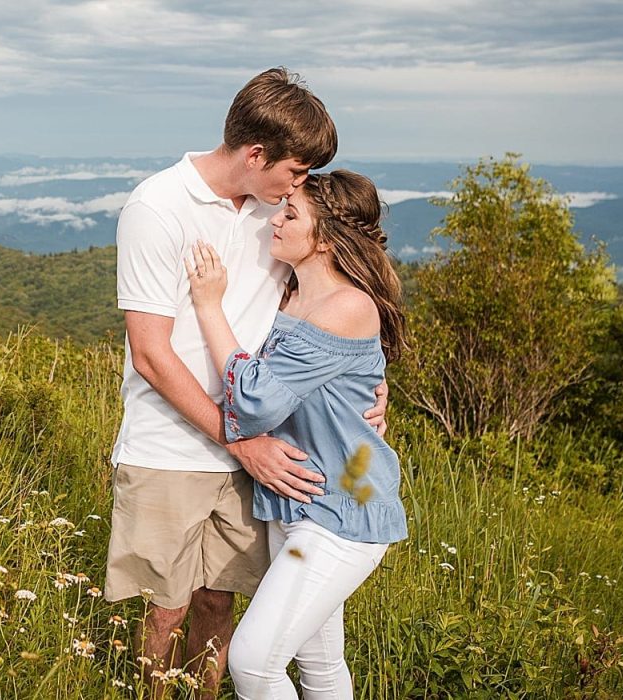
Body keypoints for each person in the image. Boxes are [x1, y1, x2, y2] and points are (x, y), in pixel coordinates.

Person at [104, 68, 388, 697]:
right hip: (173, 448)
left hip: (263, 452)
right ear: (256, 155)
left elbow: (335, 297)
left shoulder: (282, 215)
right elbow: (150, 355)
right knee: (166, 610)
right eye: (294, 171)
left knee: (220, 603)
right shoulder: (158, 208)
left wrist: (368, 381)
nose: (301, 185)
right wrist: (241, 441)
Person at [187, 170, 408, 699]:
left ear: (326, 238)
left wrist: (209, 306)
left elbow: (257, 400)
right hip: (294, 503)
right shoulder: (292, 294)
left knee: (254, 662)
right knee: (321, 664)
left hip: (340, 513)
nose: (276, 220)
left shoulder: (348, 306)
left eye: (290, 213)